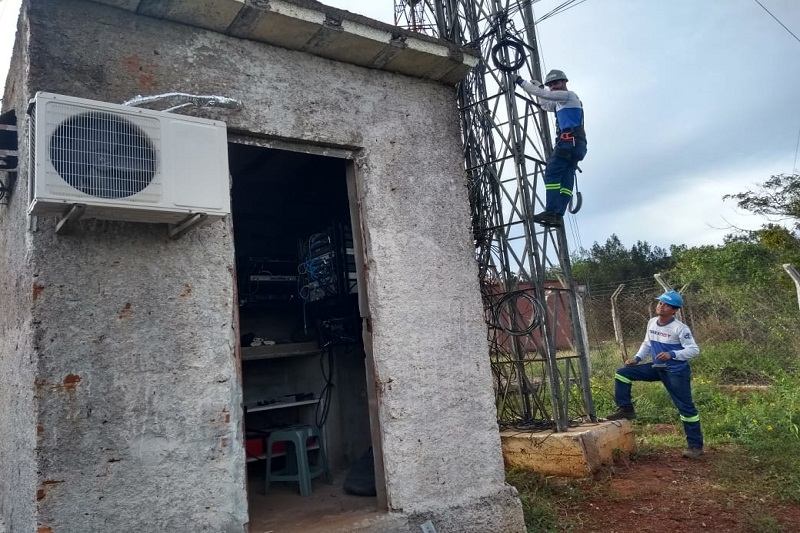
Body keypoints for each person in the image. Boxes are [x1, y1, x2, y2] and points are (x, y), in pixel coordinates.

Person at [606, 290, 705, 459]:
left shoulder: (680, 328)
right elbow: (647, 343)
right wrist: (637, 359)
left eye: (666, 305)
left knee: (686, 408)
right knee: (623, 373)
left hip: (675, 371)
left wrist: (672, 354)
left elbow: (694, 350)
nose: (661, 306)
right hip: (657, 367)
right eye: (660, 302)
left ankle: (695, 446)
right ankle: (626, 409)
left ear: (674, 310)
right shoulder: (652, 322)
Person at [515, 69, 587, 227]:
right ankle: (557, 215)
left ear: (564, 82)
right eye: (551, 85)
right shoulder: (562, 102)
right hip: (577, 145)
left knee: (552, 173)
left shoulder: (568, 95)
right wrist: (540, 88)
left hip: (568, 142)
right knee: (566, 178)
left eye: (556, 83)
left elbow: (545, 95)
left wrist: (521, 82)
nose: (553, 87)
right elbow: (546, 105)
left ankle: (551, 211)